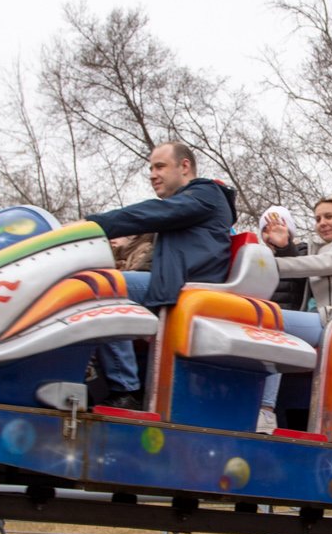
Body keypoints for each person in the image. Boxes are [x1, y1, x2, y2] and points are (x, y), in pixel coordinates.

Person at [85, 141, 237, 409]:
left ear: (185, 166)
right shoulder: (185, 208)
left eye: (160, 166)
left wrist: (95, 225)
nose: (152, 174)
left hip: (187, 290)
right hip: (170, 283)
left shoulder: (206, 193)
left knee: (104, 286)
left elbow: (153, 212)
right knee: (89, 283)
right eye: (150, 168)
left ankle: (125, 389)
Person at [254, 197, 332, 431]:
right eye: (317, 218)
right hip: (325, 320)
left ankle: (266, 410)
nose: (322, 222)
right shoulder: (316, 249)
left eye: (328, 216)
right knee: (255, 321)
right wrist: (282, 248)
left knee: (269, 320)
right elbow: (303, 265)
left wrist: (268, 264)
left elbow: (324, 263)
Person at [258, 205, 309, 311]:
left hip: (289, 318)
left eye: (277, 226)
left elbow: (300, 270)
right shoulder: (260, 258)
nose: (272, 234)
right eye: (266, 230)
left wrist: (284, 247)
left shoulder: (304, 250)